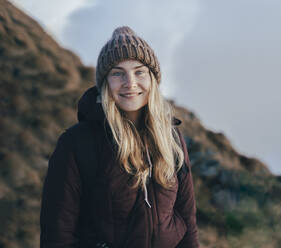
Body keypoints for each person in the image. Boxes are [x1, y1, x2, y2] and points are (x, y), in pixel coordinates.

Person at [40, 26, 200, 248]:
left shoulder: (171, 138)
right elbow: (57, 236)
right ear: (105, 83)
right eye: (117, 73)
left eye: (139, 71)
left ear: (153, 79)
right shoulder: (76, 144)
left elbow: (187, 224)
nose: (130, 82)